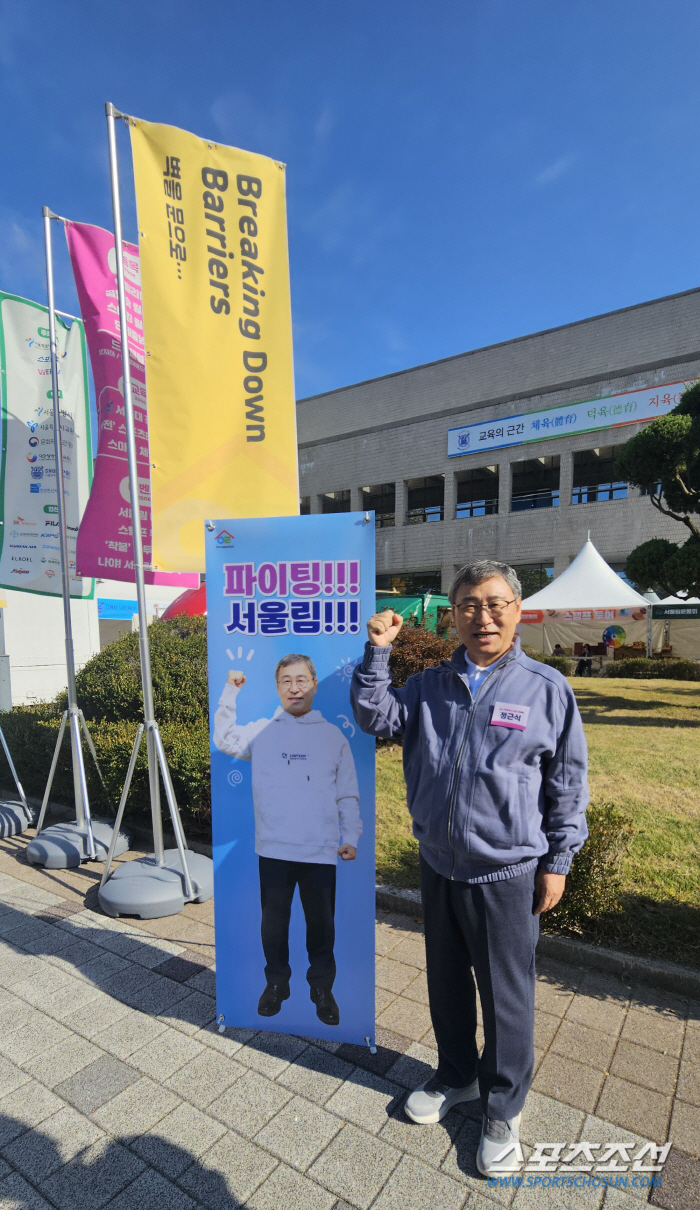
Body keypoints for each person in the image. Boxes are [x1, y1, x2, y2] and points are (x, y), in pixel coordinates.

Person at [351, 561, 588, 1176]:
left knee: (507, 997)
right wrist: (377, 653)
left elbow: (566, 781)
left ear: (517, 608)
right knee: (446, 980)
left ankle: (504, 1107)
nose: (483, 617)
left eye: (496, 603)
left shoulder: (545, 688)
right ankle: (457, 1075)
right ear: (452, 614)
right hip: (438, 863)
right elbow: (377, 718)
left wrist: (557, 861)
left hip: (507, 872)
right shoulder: (431, 685)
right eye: (469, 606)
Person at [213, 654, 361, 1027]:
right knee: (273, 926)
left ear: (314, 683)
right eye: (285, 681)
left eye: (301, 680)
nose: (294, 688)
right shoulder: (262, 731)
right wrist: (230, 692)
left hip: (321, 850)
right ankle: (277, 984)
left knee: (321, 928)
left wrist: (351, 834)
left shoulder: (332, 736)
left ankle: (322, 989)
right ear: (277, 687)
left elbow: (347, 793)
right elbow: (224, 738)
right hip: (274, 848)